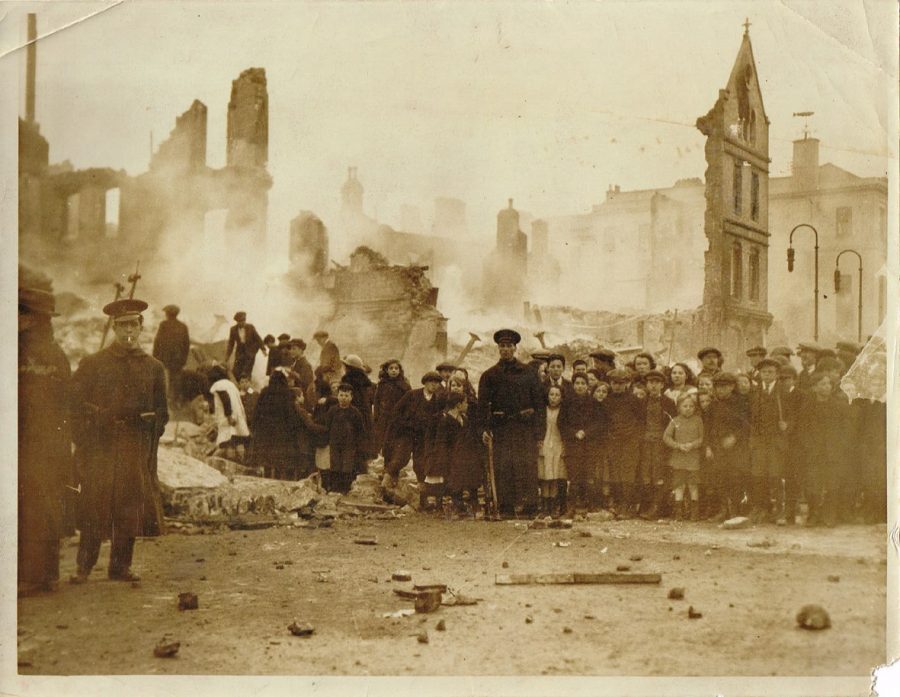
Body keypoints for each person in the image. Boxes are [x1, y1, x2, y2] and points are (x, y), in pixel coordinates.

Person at [69, 298, 168, 584]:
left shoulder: (153, 368)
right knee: (93, 505)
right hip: (100, 447)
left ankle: (120, 567)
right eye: (122, 324)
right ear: (114, 327)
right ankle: (83, 568)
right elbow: (74, 404)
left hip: (133, 447)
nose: (128, 330)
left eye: (133, 324)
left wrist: (148, 432)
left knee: (129, 506)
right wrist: (93, 427)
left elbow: (163, 413)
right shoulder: (93, 364)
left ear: (141, 328)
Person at [18, 269, 75, 595]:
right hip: (45, 443)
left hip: (37, 444)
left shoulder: (35, 354)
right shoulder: (53, 353)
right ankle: (45, 573)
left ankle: (34, 575)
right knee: (43, 505)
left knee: (35, 506)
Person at [477, 329, 547, 517]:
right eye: (502, 346)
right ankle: (506, 507)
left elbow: (539, 404)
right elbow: (482, 406)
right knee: (504, 466)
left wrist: (540, 434)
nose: (506, 349)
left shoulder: (528, 373)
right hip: (502, 429)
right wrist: (484, 428)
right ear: (498, 348)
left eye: (509, 346)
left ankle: (530, 506)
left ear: (515, 348)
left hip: (525, 428)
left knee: (526, 466)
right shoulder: (489, 376)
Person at [797, 372, 849, 527]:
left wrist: (839, 446)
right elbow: (802, 430)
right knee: (813, 484)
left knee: (832, 484)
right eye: (822, 384)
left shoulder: (839, 406)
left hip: (833, 452)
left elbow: (845, 429)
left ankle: (830, 515)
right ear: (814, 388)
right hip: (814, 453)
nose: (827, 387)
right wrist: (809, 446)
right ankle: (813, 514)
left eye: (828, 384)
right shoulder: (807, 407)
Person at [382, 371, 444, 490]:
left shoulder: (437, 400)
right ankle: (385, 482)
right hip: (407, 433)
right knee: (401, 457)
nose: (434, 385)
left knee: (420, 461)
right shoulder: (412, 395)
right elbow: (396, 411)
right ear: (425, 382)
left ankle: (421, 488)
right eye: (431, 382)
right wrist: (403, 425)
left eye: (437, 383)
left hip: (423, 436)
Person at [302, 383, 366, 494]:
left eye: (346, 396)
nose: (343, 398)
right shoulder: (333, 410)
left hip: (349, 444)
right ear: (337, 396)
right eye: (341, 395)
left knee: (347, 466)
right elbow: (328, 425)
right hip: (334, 443)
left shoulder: (355, 412)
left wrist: (357, 443)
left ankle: (345, 489)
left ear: (351, 397)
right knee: (335, 465)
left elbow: (360, 429)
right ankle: (335, 489)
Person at [704, 372, 750, 522]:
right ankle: (724, 510)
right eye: (718, 387)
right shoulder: (713, 405)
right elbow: (708, 427)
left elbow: (746, 425)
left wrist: (734, 437)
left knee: (735, 477)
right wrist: (708, 447)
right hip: (718, 447)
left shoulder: (741, 403)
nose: (720, 390)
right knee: (720, 478)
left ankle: (735, 510)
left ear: (731, 387)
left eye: (724, 387)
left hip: (736, 448)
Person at [748, 357, 787, 524]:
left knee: (775, 476)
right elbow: (750, 418)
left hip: (776, 443)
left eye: (771, 372)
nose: (767, 375)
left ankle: (779, 511)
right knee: (758, 477)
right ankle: (761, 508)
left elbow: (793, 416)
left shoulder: (783, 393)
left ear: (777, 374)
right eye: (764, 372)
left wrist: (787, 425)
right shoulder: (755, 393)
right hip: (759, 442)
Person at [604, 368, 644, 517]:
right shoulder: (607, 400)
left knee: (628, 473)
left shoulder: (634, 400)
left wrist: (634, 436)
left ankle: (628, 505)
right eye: (614, 383)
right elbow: (606, 421)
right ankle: (619, 503)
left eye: (621, 383)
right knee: (616, 473)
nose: (617, 386)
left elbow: (641, 421)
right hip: (614, 441)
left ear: (627, 383)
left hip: (630, 441)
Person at [559, 373, 601, 514]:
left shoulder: (594, 403)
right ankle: (571, 506)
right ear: (573, 385)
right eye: (577, 383)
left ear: (587, 385)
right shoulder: (566, 403)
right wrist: (574, 433)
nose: (580, 386)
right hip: (573, 445)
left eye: (583, 383)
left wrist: (586, 432)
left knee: (589, 476)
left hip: (590, 445)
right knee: (574, 477)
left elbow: (599, 423)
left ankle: (591, 505)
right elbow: (561, 423)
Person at [251, 370, 303, 479]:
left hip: (266, 433)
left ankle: (267, 478)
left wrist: (255, 428)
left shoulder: (264, 392)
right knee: (280, 459)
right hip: (282, 434)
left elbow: (256, 413)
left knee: (267, 460)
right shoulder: (288, 394)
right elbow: (291, 415)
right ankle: (278, 480)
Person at [639, 370, 676, 519]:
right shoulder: (642, 402)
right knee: (645, 473)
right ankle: (647, 505)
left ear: (662, 385)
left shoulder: (668, 402)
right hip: (645, 442)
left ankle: (657, 507)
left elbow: (673, 424)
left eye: (657, 383)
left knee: (659, 473)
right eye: (650, 383)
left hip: (661, 443)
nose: (653, 386)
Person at [663, 393, 704, 521]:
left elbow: (702, 438)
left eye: (691, 406)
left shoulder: (698, 420)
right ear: (679, 407)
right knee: (679, 485)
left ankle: (694, 513)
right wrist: (678, 445)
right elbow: (666, 437)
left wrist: (692, 445)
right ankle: (678, 512)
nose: (688, 408)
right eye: (684, 406)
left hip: (693, 458)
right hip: (679, 459)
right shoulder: (675, 420)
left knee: (693, 484)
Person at [207, 364, 250, 462]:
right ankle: (241, 460)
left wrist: (229, 415)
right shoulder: (231, 385)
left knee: (228, 441)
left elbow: (225, 400)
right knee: (238, 438)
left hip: (228, 417)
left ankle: (229, 461)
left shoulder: (219, 385)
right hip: (238, 415)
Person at [373, 359, 411, 462]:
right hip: (385, 419)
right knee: (386, 444)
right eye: (391, 368)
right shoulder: (382, 384)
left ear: (399, 370)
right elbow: (377, 401)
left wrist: (405, 418)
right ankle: (386, 468)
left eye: (396, 368)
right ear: (386, 370)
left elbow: (409, 402)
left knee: (396, 444)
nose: (394, 370)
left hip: (399, 419)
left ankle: (393, 471)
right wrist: (377, 416)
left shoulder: (404, 385)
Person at [538, 385, 567, 517]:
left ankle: (554, 505)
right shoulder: (543, 410)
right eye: (551, 394)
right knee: (545, 476)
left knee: (555, 476)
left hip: (557, 443)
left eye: (557, 395)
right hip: (544, 444)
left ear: (561, 398)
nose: (554, 398)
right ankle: (545, 505)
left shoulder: (563, 411)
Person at [152, 304, 190, 405]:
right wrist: (184, 359)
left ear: (168, 314)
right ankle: (176, 400)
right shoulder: (183, 326)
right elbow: (187, 345)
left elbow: (158, 341)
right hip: (178, 359)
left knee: (164, 378)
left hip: (165, 358)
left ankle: (165, 400)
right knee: (176, 379)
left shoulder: (163, 325)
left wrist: (154, 356)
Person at [341, 354, 375, 464]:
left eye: (346, 366)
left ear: (350, 368)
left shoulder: (348, 379)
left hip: (351, 412)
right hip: (364, 413)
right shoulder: (365, 381)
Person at [225, 311, 266, 381]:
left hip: (250, 353)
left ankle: (247, 389)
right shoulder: (233, 329)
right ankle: (237, 387)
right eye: (240, 321)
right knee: (236, 371)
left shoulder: (250, 327)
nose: (243, 322)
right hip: (240, 353)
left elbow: (258, 338)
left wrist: (263, 349)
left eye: (244, 320)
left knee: (246, 373)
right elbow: (231, 344)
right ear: (237, 321)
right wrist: (227, 357)